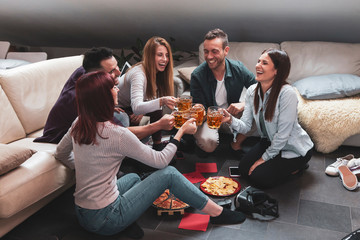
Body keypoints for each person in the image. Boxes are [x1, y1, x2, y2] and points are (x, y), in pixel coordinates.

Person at [54, 71, 246, 239]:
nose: (118, 90)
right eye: (113, 87)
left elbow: (61, 154)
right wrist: (180, 132)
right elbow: (161, 162)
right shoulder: (116, 134)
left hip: (82, 213)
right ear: (102, 97)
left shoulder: (79, 123)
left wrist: (88, 169)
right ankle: (217, 212)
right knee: (168, 174)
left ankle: (125, 221)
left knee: (133, 178)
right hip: (106, 219)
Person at [34, 47, 170, 144]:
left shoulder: (85, 70)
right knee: (122, 119)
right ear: (96, 75)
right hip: (60, 137)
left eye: (117, 66)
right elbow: (123, 134)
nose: (118, 73)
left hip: (82, 123)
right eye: (111, 71)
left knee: (123, 115)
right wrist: (158, 125)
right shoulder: (82, 98)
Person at [221, 48, 314, 188]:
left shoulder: (287, 94)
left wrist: (262, 159)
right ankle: (276, 163)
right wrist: (230, 120)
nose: (258, 65)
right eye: (258, 61)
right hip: (270, 142)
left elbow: (283, 135)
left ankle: (298, 167)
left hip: (294, 149)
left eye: (264, 63)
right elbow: (246, 126)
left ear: (276, 70)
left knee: (260, 178)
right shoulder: (252, 91)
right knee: (243, 170)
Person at [190, 28, 257, 156]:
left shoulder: (238, 68)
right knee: (208, 145)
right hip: (209, 119)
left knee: (261, 110)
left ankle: (236, 145)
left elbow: (260, 90)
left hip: (231, 115)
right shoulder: (197, 75)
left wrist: (244, 104)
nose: (209, 57)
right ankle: (201, 140)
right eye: (206, 52)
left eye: (214, 52)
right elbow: (199, 106)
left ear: (226, 51)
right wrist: (199, 110)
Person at [117, 36, 177, 150]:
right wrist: (161, 101)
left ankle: (157, 145)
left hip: (130, 104)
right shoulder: (138, 74)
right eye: (160, 55)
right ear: (150, 56)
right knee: (154, 107)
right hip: (117, 108)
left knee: (157, 109)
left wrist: (142, 108)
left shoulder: (156, 72)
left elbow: (149, 97)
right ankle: (133, 152)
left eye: (167, 55)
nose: (165, 59)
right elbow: (136, 107)